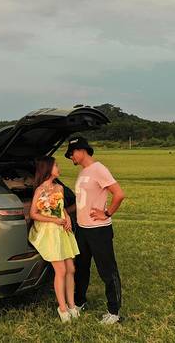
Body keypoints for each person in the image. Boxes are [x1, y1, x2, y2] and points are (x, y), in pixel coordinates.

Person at [65, 136, 126, 324]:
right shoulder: (83, 172)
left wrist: (106, 213)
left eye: (72, 153)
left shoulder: (99, 169)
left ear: (82, 150)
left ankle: (114, 312)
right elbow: (81, 201)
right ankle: (79, 301)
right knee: (81, 268)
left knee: (107, 270)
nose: (71, 157)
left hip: (99, 230)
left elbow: (119, 194)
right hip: (82, 230)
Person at [28, 156, 80, 323]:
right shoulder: (40, 190)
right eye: (56, 165)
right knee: (61, 270)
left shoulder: (59, 188)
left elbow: (61, 208)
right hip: (48, 231)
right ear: (48, 169)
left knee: (71, 268)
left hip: (62, 229)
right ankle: (62, 308)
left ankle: (72, 305)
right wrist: (53, 220)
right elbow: (33, 214)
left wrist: (67, 217)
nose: (59, 167)